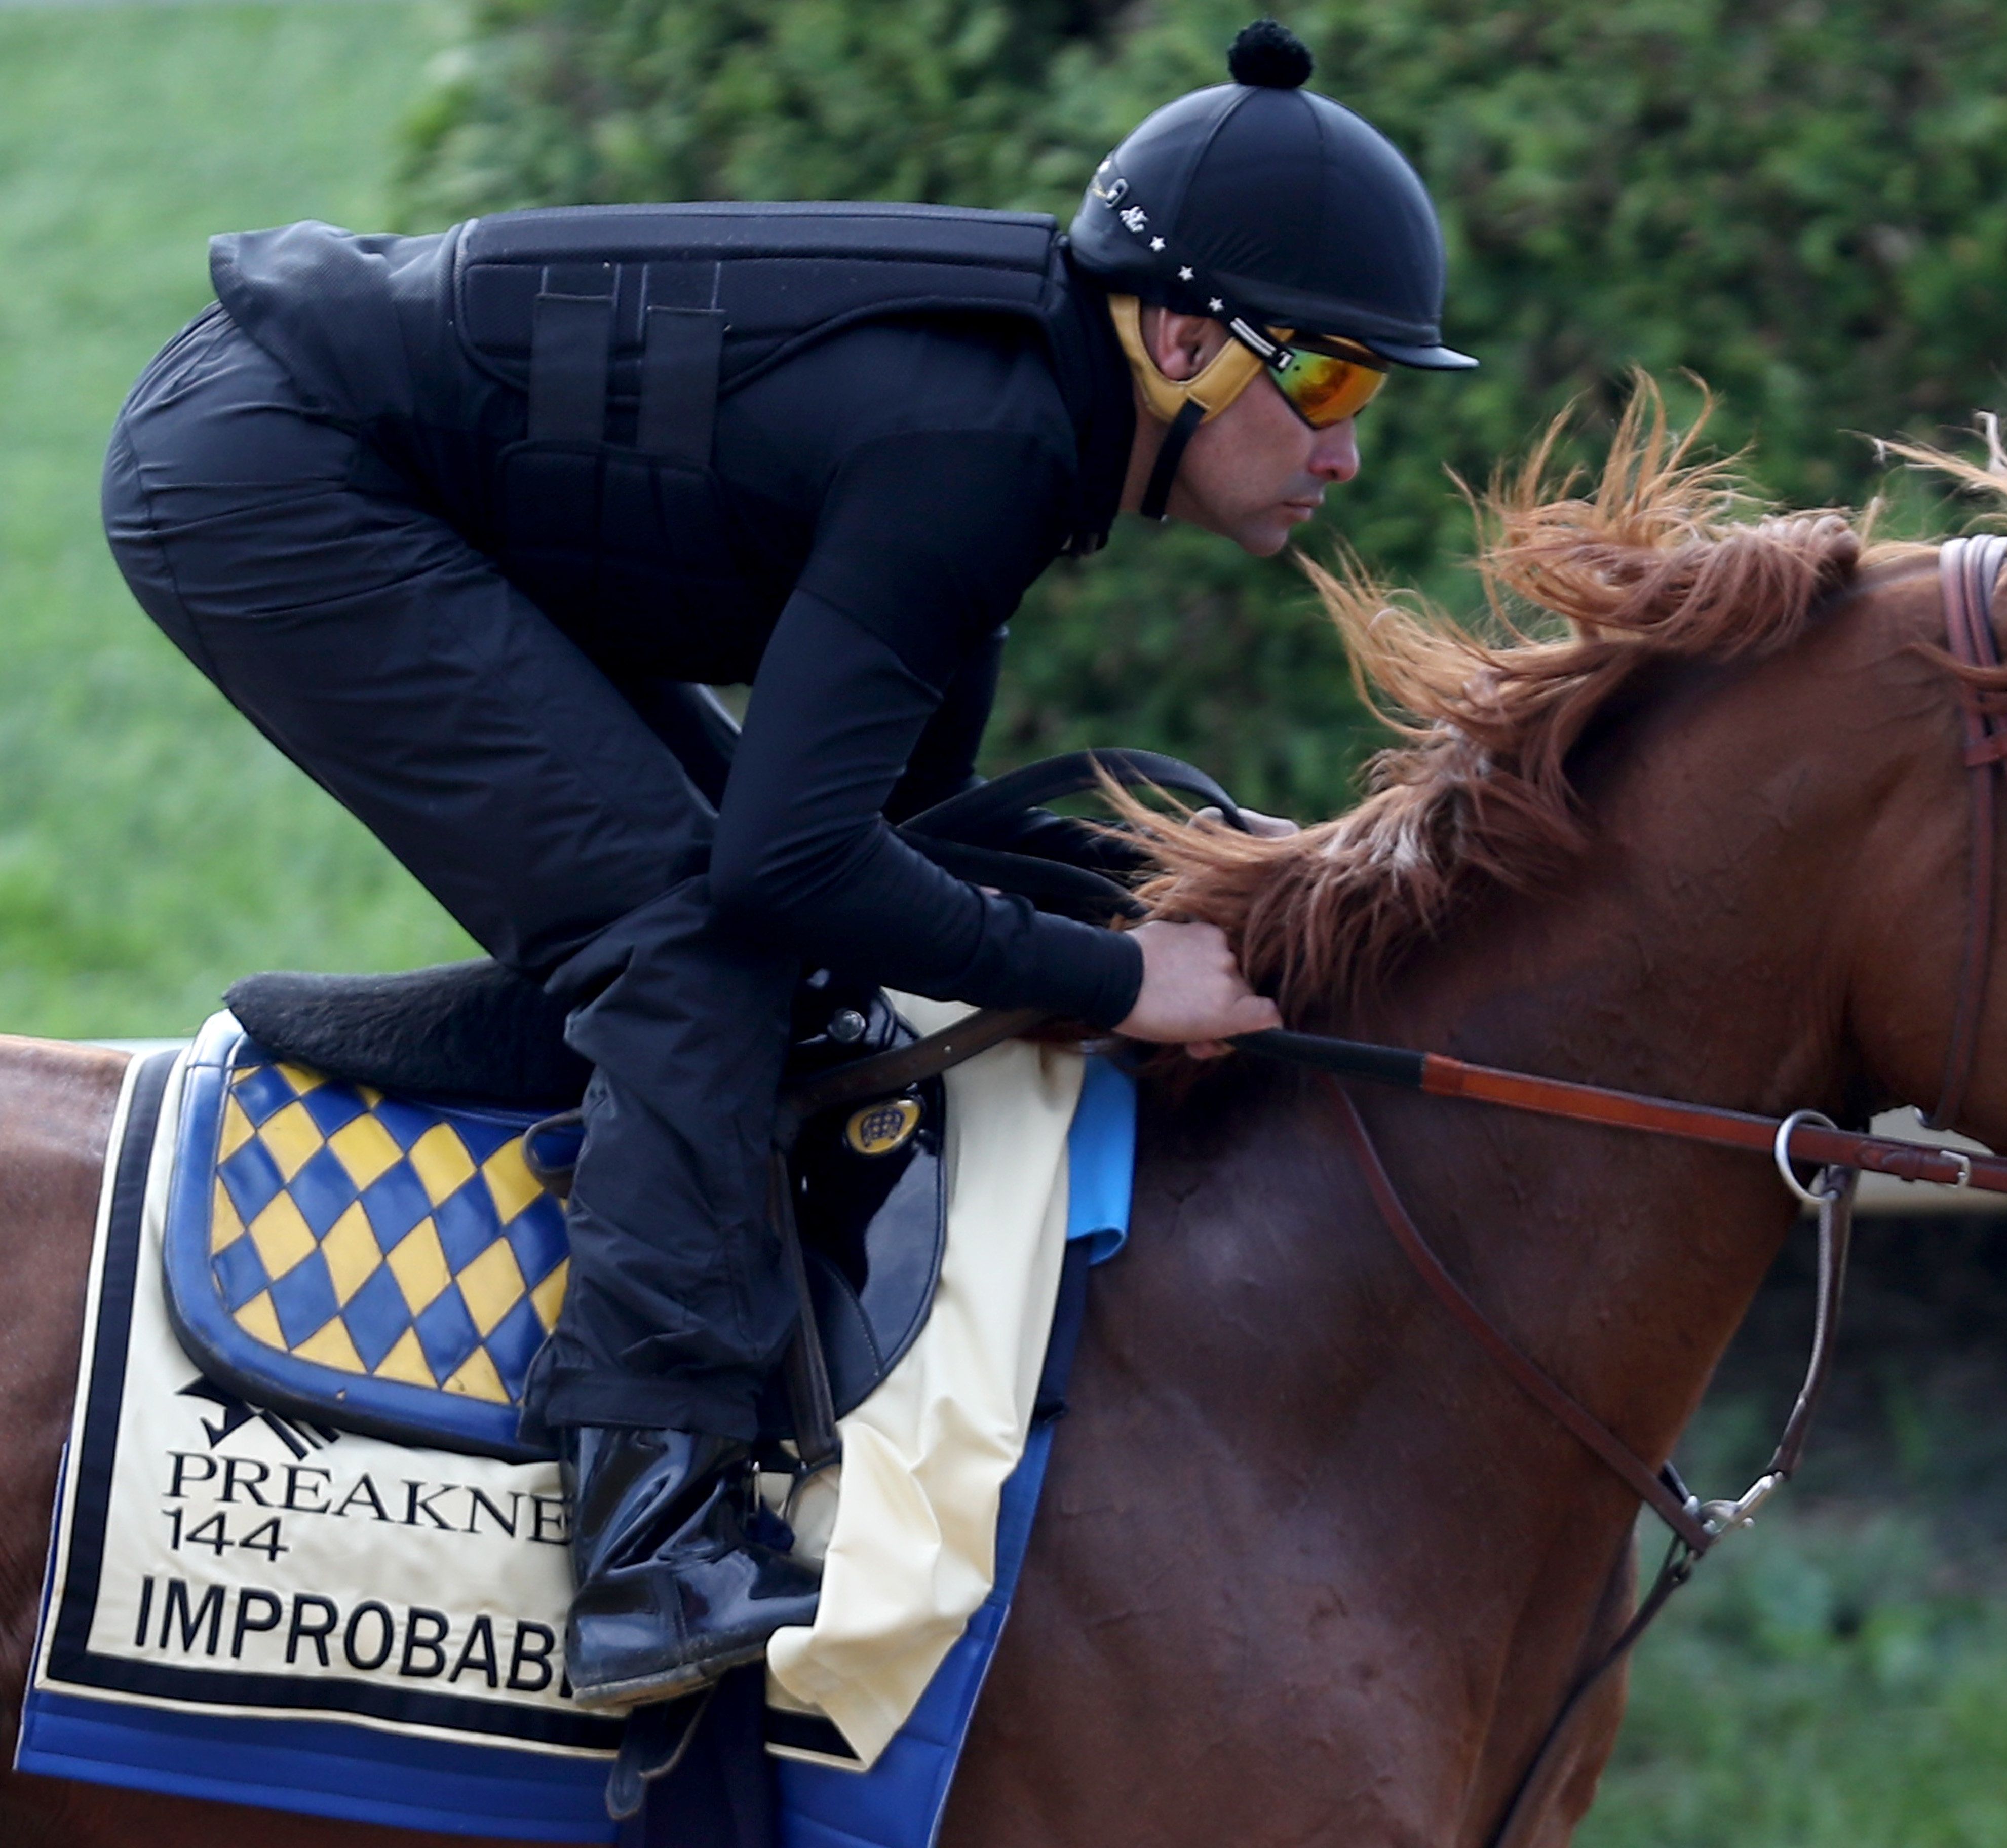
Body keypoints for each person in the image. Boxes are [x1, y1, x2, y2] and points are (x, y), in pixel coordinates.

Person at [99, 18, 1473, 1709]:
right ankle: (645, 1540)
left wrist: (1161, 881)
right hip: (268, 469)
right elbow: (780, 875)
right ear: (1184, 337)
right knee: (683, 938)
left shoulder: (1023, 422)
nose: (1346, 450)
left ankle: (525, 1086)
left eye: (1366, 397)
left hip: (359, 458)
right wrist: (1120, 974)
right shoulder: (982, 452)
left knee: (736, 922)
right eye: (1326, 381)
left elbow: (880, 855)